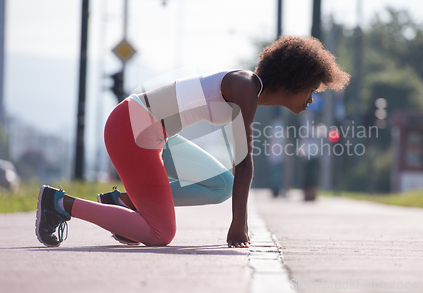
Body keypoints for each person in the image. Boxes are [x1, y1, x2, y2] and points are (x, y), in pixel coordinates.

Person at [35, 36, 350, 248]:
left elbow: (238, 168)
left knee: (220, 185)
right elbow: (244, 162)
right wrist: (239, 224)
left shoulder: (246, 88)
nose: (311, 99)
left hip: (152, 133)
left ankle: (126, 202)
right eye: (311, 90)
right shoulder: (244, 88)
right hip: (131, 130)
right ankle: (59, 204)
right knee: (160, 234)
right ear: (293, 81)